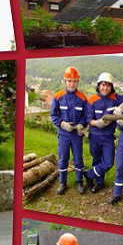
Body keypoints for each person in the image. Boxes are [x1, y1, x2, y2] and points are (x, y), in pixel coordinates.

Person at [50, 66, 90, 194]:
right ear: (65, 81)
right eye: (69, 81)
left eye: (74, 81)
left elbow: (87, 115)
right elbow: (53, 115)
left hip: (76, 135)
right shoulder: (58, 96)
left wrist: (81, 125)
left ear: (77, 82)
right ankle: (63, 183)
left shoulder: (83, 98)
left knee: (78, 159)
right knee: (63, 159)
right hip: (63, 134)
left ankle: (79, 183)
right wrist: (62, 124)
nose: (72, 84)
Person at [85, 72, 123, 193]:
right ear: (98, 85)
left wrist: (121, 111)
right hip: (95, 136)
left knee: (108, 162)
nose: (105, 87)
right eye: (103, 84)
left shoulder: (115, 98)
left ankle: (88, 174)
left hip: (108, 137)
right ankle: (99, 182)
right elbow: (88, 119)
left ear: (111, 86)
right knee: (97, 160)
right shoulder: (92, 100)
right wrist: (97, 123)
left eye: (108, 85)